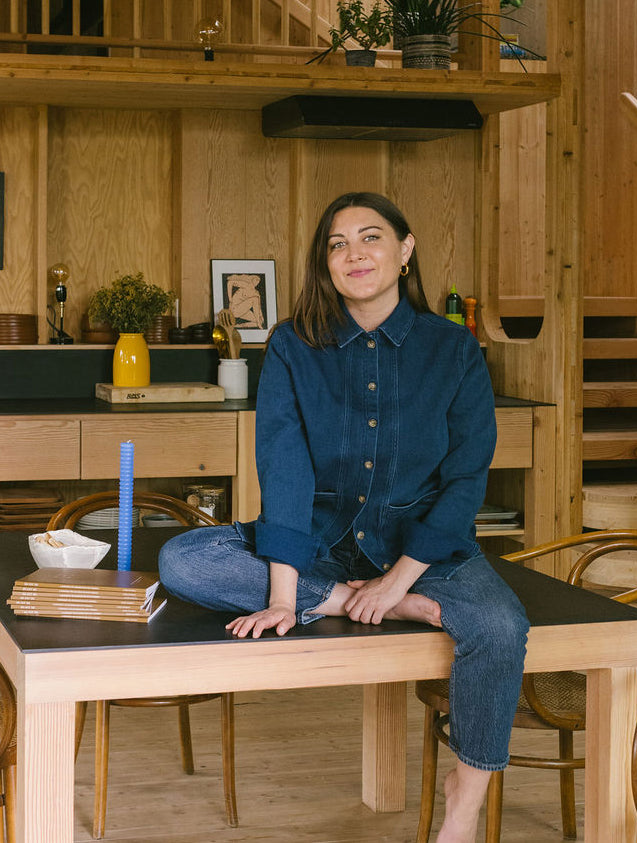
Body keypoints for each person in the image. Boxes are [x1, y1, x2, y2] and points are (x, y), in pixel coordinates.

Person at [159, 192, 529, 843]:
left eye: (371, 237)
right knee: (183, 558)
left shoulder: (454, 349)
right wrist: (287, 593)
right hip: (322, 546)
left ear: (406, 250)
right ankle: (337, 597)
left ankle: (464, 804)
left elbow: (467, 477)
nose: (353, 253)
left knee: (500, 623)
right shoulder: (293, 346)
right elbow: (285, 467)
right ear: (324, 263)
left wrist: (396, 583)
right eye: (337, 243)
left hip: (425, 553)